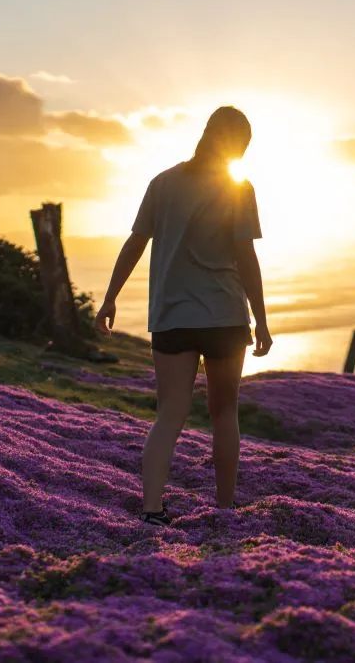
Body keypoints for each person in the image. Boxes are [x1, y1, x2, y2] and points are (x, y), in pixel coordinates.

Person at [94, 106, 272, 526]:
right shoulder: (238, 188)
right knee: (224, 413)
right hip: (226, 317)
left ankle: (152, 509)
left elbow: (135, 243)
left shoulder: (163, 183)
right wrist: (260, 319)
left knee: (170, 414)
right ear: (239, 146)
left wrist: (109, 298)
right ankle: (225, 509)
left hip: (172, 317)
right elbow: (246, 258)